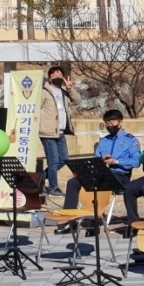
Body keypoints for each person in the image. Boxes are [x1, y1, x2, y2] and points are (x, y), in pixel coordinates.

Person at [55, 109, 140, 234]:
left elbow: (136, 162)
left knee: (98, 182)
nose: (109, 125)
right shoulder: (104, 141)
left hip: (120, 175)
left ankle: (92, 223)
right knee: (73, 182)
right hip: (101, 173)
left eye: (112, 122)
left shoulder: (130, 140)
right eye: (107, 123)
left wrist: (116, 162)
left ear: (120, 122)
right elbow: (95, 160)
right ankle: (69, 221)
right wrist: (101, 161)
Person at [39, 66, 80, 197]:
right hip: (48, 132)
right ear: (49, 77)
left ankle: (39, 178)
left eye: (60, 75)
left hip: (61, 131)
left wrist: (70, 88)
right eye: (55, 74)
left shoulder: (64, 92)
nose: (58, 76)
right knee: (54, 161)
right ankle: (53, 188)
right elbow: (35, 109)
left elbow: (77, 100)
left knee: (64, 160)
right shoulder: (44, 92)